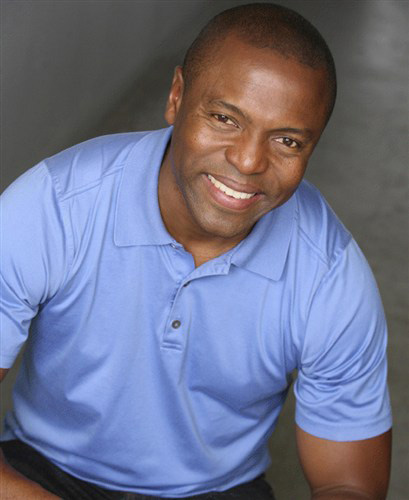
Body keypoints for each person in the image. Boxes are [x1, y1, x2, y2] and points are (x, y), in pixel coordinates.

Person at [0, 3, 392, 499]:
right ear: (176, 96)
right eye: (225, 118)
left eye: (287, 141)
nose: (247, 162)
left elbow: (347, 483)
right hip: (42, 471)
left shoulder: (329, 273)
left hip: (215, 490)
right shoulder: (57, 204)